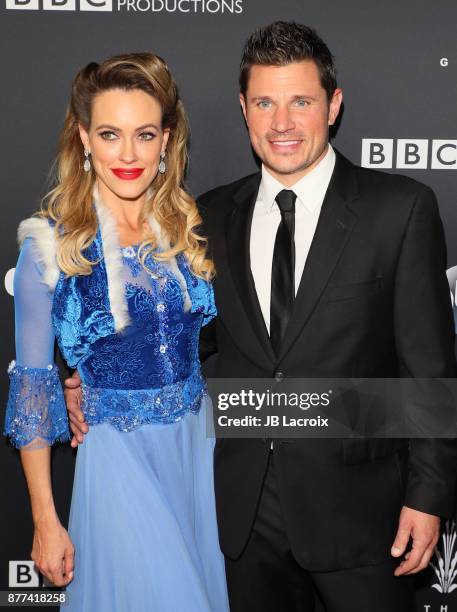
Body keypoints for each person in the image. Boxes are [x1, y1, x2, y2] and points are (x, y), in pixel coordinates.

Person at [66, 22, 457, 612]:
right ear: (244, 110)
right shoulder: (207, 215)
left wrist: (427, 498)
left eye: (301, 101)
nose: (283, 123)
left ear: (334, 105)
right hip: (239, 517)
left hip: (360, 515)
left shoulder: (399, 210)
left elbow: (430, 370)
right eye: (266, 103)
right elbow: (182, 339)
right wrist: (89, 377)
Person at [4, 53, 229, 612]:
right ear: (84, 137)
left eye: (144, 134)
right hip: (118, 463)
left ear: (166, 140)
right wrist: (45, 522)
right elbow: (34, 392)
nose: (128, 155)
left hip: (195, 454)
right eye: (110, 134)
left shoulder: (185, 228)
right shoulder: (47, 247)